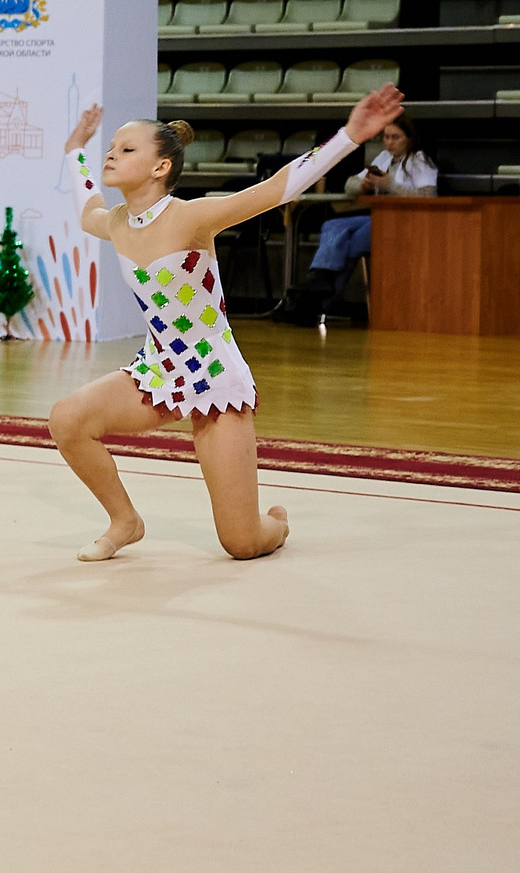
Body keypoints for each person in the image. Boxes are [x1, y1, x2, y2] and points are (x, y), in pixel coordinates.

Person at [45, 85, 406, 562]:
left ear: (160, 167)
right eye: (110, 149)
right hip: (159, 369)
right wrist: (74, 150)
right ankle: (125, 521)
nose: (111, 155)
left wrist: (349, 137)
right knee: (66, 419)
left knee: (242, 543)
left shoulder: (192, 217)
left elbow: (278, 188)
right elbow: (86, 206)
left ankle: (274, 522)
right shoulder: (116, 222)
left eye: (126, 150)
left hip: (214, 374)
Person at [271, 113, 436, 326]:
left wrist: (390, 186)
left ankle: (316, 292)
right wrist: (363, 185)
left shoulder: (420, 161)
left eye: (395, 137)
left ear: (409, 139)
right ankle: (320, 286)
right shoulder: (384, 159)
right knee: (332, 225)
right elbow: (350, 184)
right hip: (376, 216)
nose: (389, 143)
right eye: (386, 137)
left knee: (350, 241)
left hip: (405, 221)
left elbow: (428, 196)